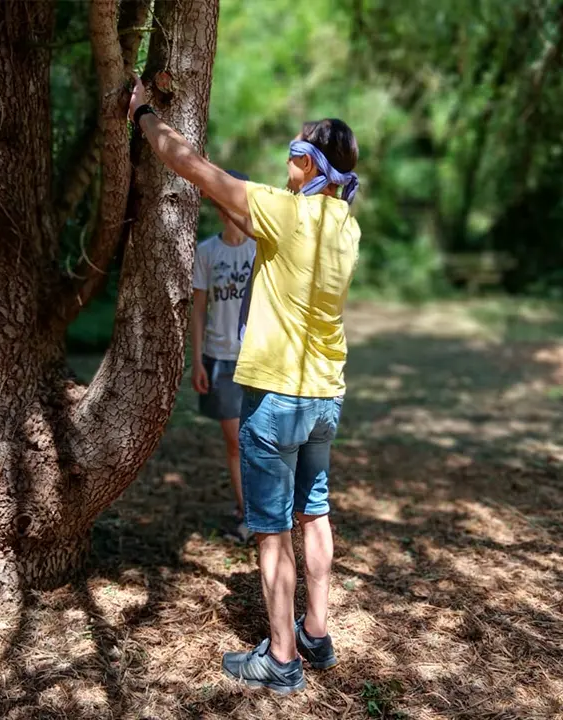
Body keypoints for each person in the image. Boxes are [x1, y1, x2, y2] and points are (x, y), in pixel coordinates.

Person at [130, 75, 360, 695]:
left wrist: (145, 114)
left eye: (293, 150)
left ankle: (281, 659)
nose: (284, 159)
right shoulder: (342, 225)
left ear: (307, 162)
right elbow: (241, 212)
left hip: (277, 398)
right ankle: (316, 631)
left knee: (270, 526)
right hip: (324, 398)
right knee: (314, 513)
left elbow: (190, 164)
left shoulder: (284, 212)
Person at [191, 170, 256, 543]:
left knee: (259, 438)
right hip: (219, 357)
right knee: (235, 441)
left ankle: (260, 510)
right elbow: (198, 308)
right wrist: (197, 358)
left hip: (258, 358)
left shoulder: (261, 246)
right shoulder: (206, 252)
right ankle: (246, 512)